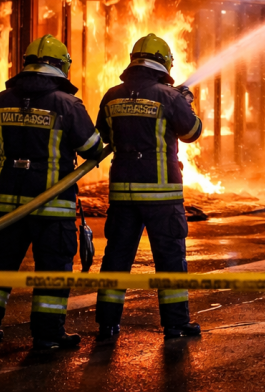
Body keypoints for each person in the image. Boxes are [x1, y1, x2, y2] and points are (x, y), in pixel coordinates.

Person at [0, 35, 102, 350]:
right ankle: (47, 335)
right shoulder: (68, 104)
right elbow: (92, 148)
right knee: (52, 273)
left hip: (7, 207)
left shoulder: (2, 100)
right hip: (52, 209)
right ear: (61, 66)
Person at [94, 33, 204, 342]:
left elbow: (102, 135)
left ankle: (107, 324)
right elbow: (192, 132)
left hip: (122, 195)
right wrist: (184, 103)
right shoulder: (169, 97)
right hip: (161, 197)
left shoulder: (112, 95)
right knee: (169, 260)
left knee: (116, 260)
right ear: (165, 63)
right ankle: (175, 325)